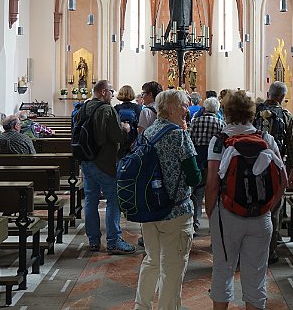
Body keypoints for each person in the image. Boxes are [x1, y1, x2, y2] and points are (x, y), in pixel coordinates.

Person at [206, 90, 286, 310]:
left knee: (223, 269)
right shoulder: (265, 138)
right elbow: (283, 179)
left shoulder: (219, 141)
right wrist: (268, 207)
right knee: (257, 273)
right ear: (252, 112)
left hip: (228, 214)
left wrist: (212, 213)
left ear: (226, 112)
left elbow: (212, 183)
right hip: (261, 216)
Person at [134, 89, 201, 309]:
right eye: (184, 105)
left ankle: (141, 306)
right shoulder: (178, 135)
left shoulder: (149, 131)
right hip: (176, 212)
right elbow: (194, 176)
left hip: (149, 208)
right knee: (172, 270)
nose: (187, 109)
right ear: (172, 108)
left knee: (151, 261)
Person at [76, 80, 135, 254]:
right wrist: (124, 128)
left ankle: (93, 240)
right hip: (103, 161)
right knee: (113, 200)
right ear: (103, 92)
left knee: (91, 199)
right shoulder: (106, 109)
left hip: (86, 160)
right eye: (111, 91)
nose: (112, 94)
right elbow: (115, 136)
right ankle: (113, 241)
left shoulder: (83, 108)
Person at [254, 81, 293, 264]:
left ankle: (252, 246)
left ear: (268, 93)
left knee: (254, 203)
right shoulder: (287, 116)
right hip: (275, 167)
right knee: (274, 209)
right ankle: (270, 250)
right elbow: (292, 145)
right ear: (282, 98)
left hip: (253, 165)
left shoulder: (254, 112)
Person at [189, 96, 224, 232]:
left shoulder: (196, 121)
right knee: (213, 190)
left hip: (197, 158)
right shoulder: (220, 123)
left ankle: (194, 222)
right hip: (213, 160)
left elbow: (189, 139)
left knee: (196, 191)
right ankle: (213, 225)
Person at [114, 85, 141, 150]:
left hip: (121, 136)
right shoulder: (137, 107)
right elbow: (140, 123)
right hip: (133, 136)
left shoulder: (117, 108)